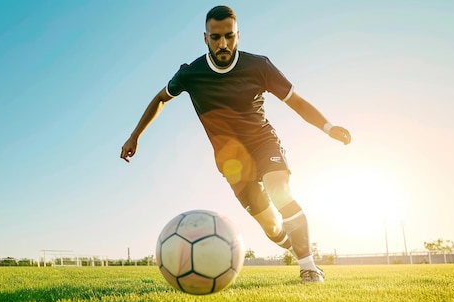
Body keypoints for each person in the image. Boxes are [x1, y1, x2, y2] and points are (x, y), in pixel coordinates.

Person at [121, 5, 351, 283]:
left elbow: (297, 102)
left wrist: (328, 127)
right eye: (216, 37)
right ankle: (291, 242)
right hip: (232, 162)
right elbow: (160, 98)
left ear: (238, 36)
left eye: (229, 36)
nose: (223, 44)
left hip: (264, 143)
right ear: (205, 38)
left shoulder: (259, 67)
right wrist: (135, 135)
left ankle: (308, 266)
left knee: (280, 191)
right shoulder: (190, 74)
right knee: (271, 226)